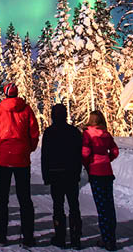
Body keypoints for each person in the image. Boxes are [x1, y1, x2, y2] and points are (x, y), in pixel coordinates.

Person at [0, 83, 40, 247]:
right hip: (22, 159)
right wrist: (28, 149)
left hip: (4, 158)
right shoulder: (26, 109)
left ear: (5, 94)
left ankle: (1, 235)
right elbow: (34, 132)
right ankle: (28, 237)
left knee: (2, 198)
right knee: (25, 198)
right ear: (17, 93)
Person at [41, 104, 83, 249]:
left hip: (55, 174)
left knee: (58, 207)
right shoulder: (74, 132)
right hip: (71, 174)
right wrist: (78, 173)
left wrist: (46, 175)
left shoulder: (49, 132)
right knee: (74, 206)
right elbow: (79, 155)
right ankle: (76, 238)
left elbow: (44, 156)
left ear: (53, 115)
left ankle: (60, 237)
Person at [82, 110, 119, 251]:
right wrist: (106, 160)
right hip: (107, 173)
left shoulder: (87, 134)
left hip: (95, 172)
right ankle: (111, 237)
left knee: (101, 206)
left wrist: (87, 164)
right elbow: (115, 151)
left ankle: (106, 239)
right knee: (109, 205)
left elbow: (85, 153)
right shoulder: (106, 134)